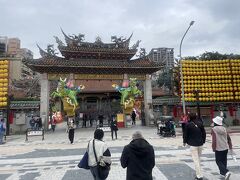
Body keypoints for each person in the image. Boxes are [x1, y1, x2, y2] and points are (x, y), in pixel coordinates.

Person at [183, 113, 206, 180]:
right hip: (200, 144)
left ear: (189, 117)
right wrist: (203, 141)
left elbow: (185, 134)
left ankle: (199, 176)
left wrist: (184, 141)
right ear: (196, 117)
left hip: (193, 145)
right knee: (198, 159)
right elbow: (204, 133)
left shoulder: (188, 125)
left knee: (196, 160)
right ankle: (199, 173)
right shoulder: (200, 123)